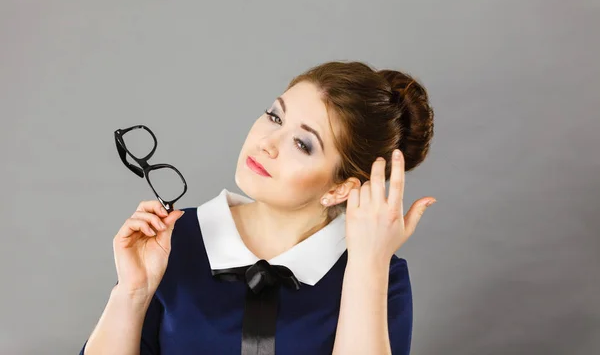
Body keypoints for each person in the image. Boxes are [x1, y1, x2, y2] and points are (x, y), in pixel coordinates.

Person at [78, 60, 436, 355]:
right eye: (275, 117)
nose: (267, 143)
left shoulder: (378, 274)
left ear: (340, 188)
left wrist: (366, 268)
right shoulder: (171, 239)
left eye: (302, 143)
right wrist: (132, 292)